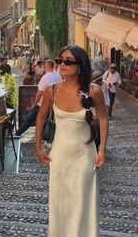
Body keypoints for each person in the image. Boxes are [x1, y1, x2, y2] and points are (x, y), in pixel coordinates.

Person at [36, 46, 109, 237]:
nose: (62, 64)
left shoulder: (93, 91)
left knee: (82, 202)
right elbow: (41, 118)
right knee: (60, 204)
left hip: (84, 157)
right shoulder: (51, 91)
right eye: (60, 60)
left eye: (68, 61)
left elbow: (103, 117)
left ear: (79, 66)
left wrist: (102, 150)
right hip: (59, 156)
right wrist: (38, 147)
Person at [16, 59, 62, 136]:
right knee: (51, 122)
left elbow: (39, 93)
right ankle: (49, 138)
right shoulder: (58, 76)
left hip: (42, 104)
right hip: (54, 103)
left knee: (29, 120)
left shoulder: (45, 77)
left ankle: (17, 134)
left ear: (45, 66)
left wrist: (34, 104)